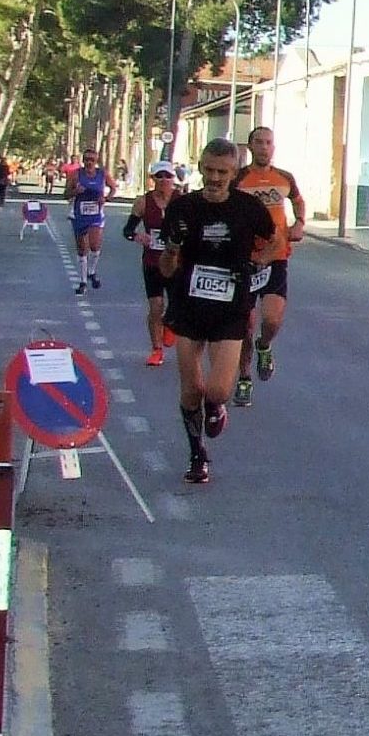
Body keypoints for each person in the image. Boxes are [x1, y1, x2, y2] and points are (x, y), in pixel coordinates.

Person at [158, 141, 277, 485]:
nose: (214, 178)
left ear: (235, 172)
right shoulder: (183, 207)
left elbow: (274, 242)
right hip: (188, 305)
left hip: (231, 308)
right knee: (191, 387)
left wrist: (260, 262)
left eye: (222, 172)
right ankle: (197, 455)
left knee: (218, 390)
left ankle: (217, 408)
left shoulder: (248, 208)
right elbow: (166, 268)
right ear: (200, 167)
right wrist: (173, 249)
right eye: (209, 170)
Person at [233, 126, 309, 407]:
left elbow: (298, 201)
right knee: (244, 325)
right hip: (246, 257)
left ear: (273, 147)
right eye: (259, 142)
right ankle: (244, 378)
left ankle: (264, 346)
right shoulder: (239, 178)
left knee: (272, 320)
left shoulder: (284, 178)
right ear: (250, 146)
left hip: (276, 256)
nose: (264, 147)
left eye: (269, 142)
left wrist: (299, 223)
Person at [123, 164, 182, 366]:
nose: (164, 180)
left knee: (178, 306)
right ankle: (156, 350)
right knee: (156, 306)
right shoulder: (143, 202)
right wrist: (138, 236)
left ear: (173, 179)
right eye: (160, 176)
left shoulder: (182, 201)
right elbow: (127, 230)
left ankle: (171, 325)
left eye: (168, 176)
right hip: (152, 262)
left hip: (176, 262)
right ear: (153, 178)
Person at [70, 151, 113, 294]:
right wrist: (75, 191)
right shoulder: (76, 175)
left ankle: (91, 271)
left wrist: (106, 199)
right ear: (83, 160)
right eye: (87, 159)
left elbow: (113, 188)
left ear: (96, 161)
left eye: (92, 160)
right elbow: (66, 194)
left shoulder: (102, 174)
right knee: (82, 249)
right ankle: (82, 282)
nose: (89, 162)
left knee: (95, 245)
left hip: (96, 215)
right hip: (80, 215)